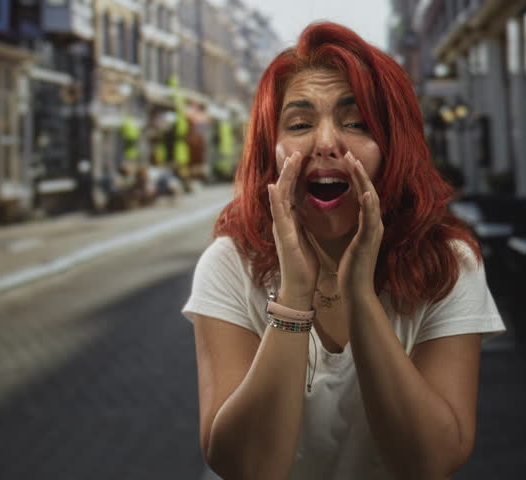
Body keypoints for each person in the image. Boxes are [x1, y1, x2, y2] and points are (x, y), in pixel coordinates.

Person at [182, 22, 505, 480]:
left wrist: (360, 296)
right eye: (300, 124)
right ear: (270, 150)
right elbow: (248, 468)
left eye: (357, 123)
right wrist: (294, 296)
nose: (326, 143)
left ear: (395, 146)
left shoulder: (449, 264)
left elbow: (430, 463)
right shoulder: (230, 264)